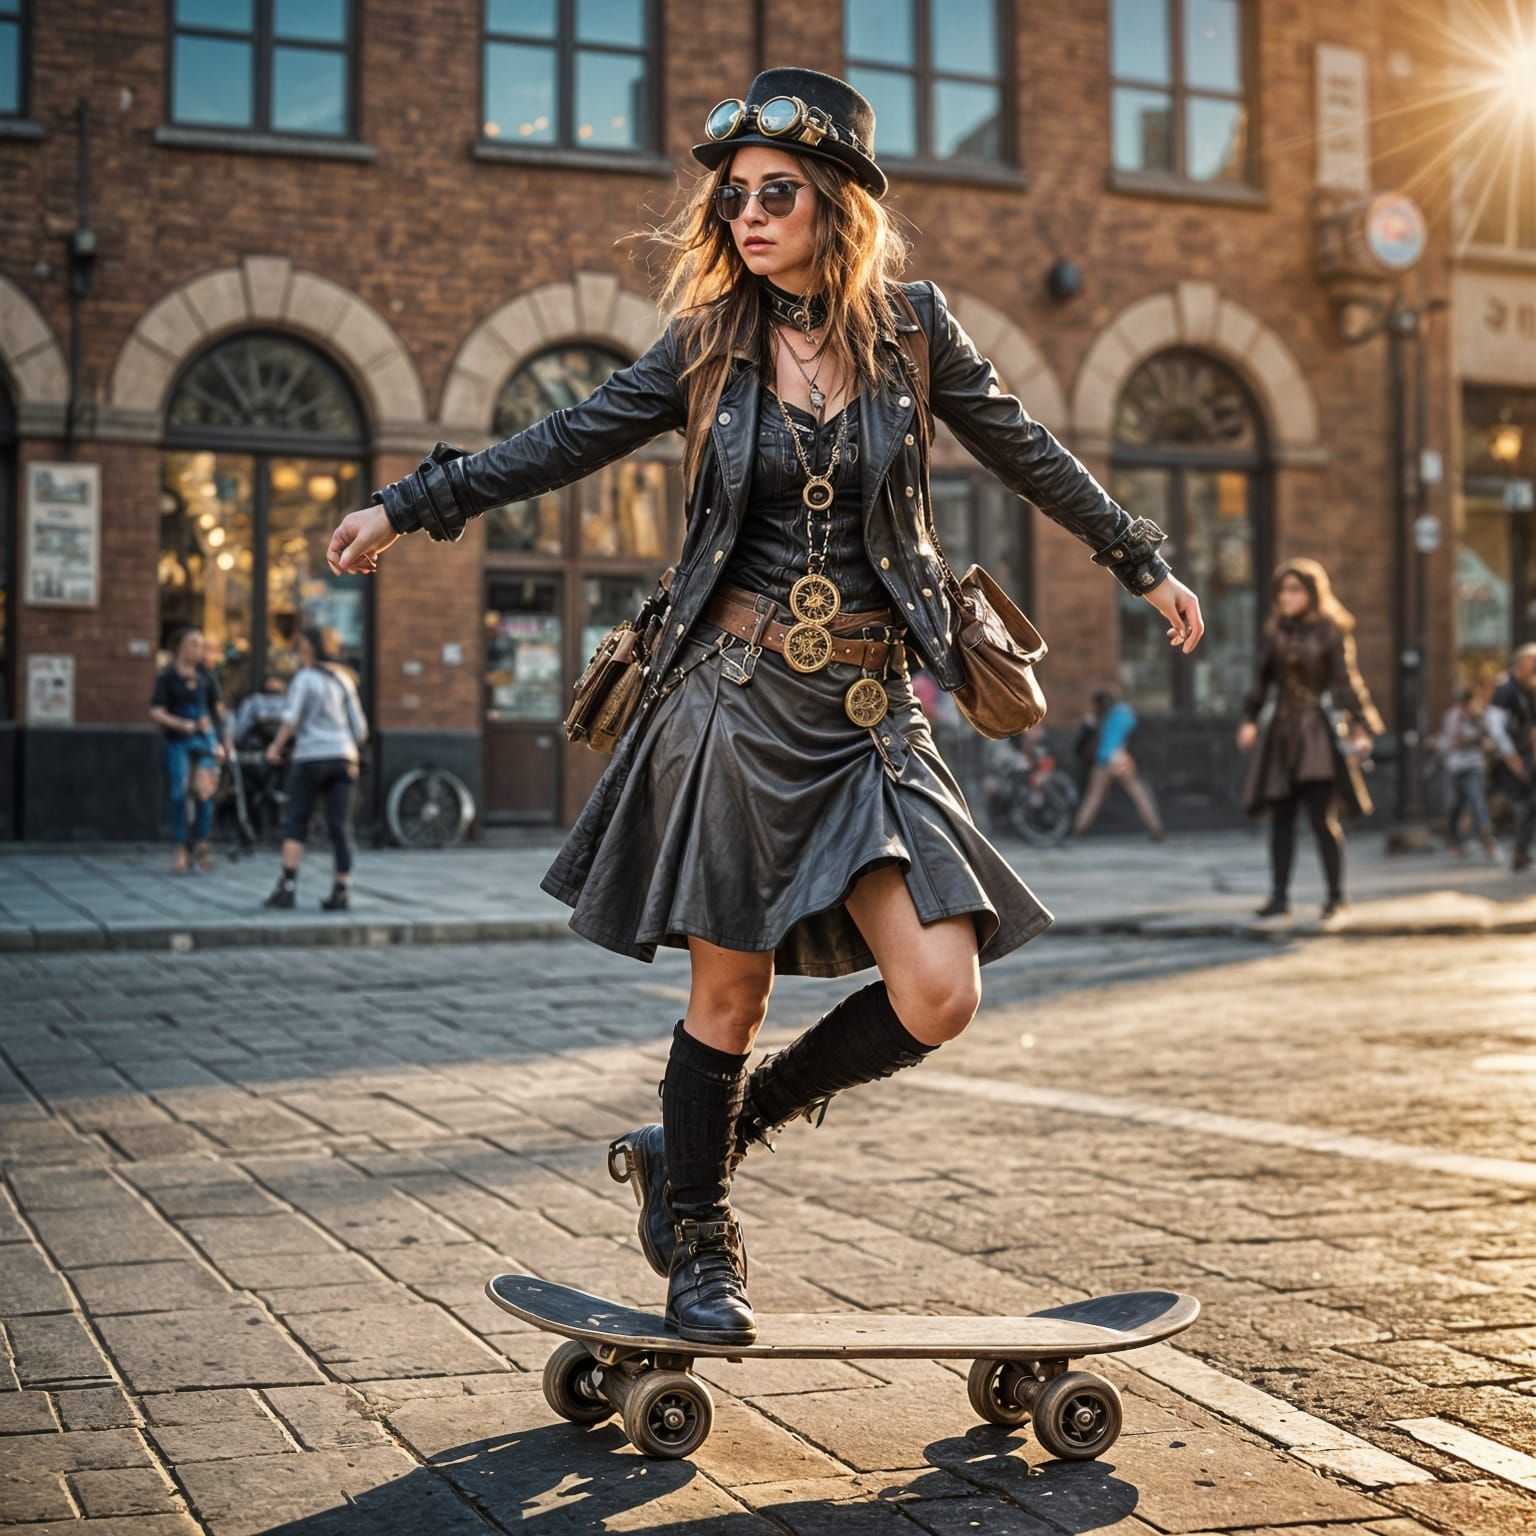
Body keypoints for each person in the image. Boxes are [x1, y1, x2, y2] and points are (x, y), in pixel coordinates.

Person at [325, 68, 1204, 1346]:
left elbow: (1028, 448)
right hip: (733, 703)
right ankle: (699, 1237)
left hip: (869, 710)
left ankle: (711, 1139)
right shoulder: (707, 345)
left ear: (836, 204)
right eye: (732, 196)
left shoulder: (915, 329)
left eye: (774, 194)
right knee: (728, 1000)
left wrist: (1141, 557)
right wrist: (411, 506)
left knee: (941, 991)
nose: (746, 215)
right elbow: (564, 437)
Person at [1238, 559, 1381, 923]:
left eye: (1294, 589)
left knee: (1321, 818)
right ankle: (1278, 897)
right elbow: (1261, 680)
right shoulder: (1275, 631)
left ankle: (1336, 897)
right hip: (1281, 735)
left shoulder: (1331, 630)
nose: (1286, 597)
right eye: (1282, 590)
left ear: (1312, 593)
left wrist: (1362, 724)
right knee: (1280, 819)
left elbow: (1346, 680)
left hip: (1315, 733)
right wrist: (1250, 720)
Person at [262, 626, 367, 911]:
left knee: (296, 820)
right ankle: (341, 890)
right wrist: (348, 749)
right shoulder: (344, 679)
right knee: (340, 826)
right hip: (343, 758)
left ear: (307, 647)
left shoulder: (304, 678)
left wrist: (275, 747)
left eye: (299, 643)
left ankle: (287, 888)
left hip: (310, 758)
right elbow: (360, 728)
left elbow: (290, 719)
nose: (296, 647)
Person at [148, 627, 224, 873]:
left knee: (205, 792)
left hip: (204, 741)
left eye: (201, 644)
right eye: (193, 643)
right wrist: (181, 723)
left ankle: (201, 842)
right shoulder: (167, 678)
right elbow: (156, 711)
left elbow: (218, 711)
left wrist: (221, 741)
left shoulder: (206, 678)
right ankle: (180, 847)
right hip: (177, 741)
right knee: (178, 794)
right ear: (180, 646)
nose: (198, 649)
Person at [1071, 684, 1166, 840]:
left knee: (1093, 797)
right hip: (1121, 759)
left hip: (1104, 759)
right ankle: (1157, 829)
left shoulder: (1103, 716)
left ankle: (1077, 829)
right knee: (1139, 794)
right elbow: (1136, 736)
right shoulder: (1126, 714)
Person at [1487, 643, 1536, 873]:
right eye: (1532, 661)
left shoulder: (1529, 690)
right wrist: (1510, 756)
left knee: (1528, 804)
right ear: (1521, 663)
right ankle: (1517, 852)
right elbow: (1494, 725)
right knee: (1525, 803)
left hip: (1528, 754)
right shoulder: (1506, 689)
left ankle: (1520, 853)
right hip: (1514, 757)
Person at [1439, 687, 1497, 861]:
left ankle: (1488, 843)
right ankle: (1455, 842)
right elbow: (1454, 742)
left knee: (1478, 804)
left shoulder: (1480, 717)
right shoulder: (1453, 717)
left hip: (1473, 766)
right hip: (1455, 767)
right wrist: (1471, 740)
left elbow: (1489, 742)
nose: (1467, 708)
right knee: (1454, 806)